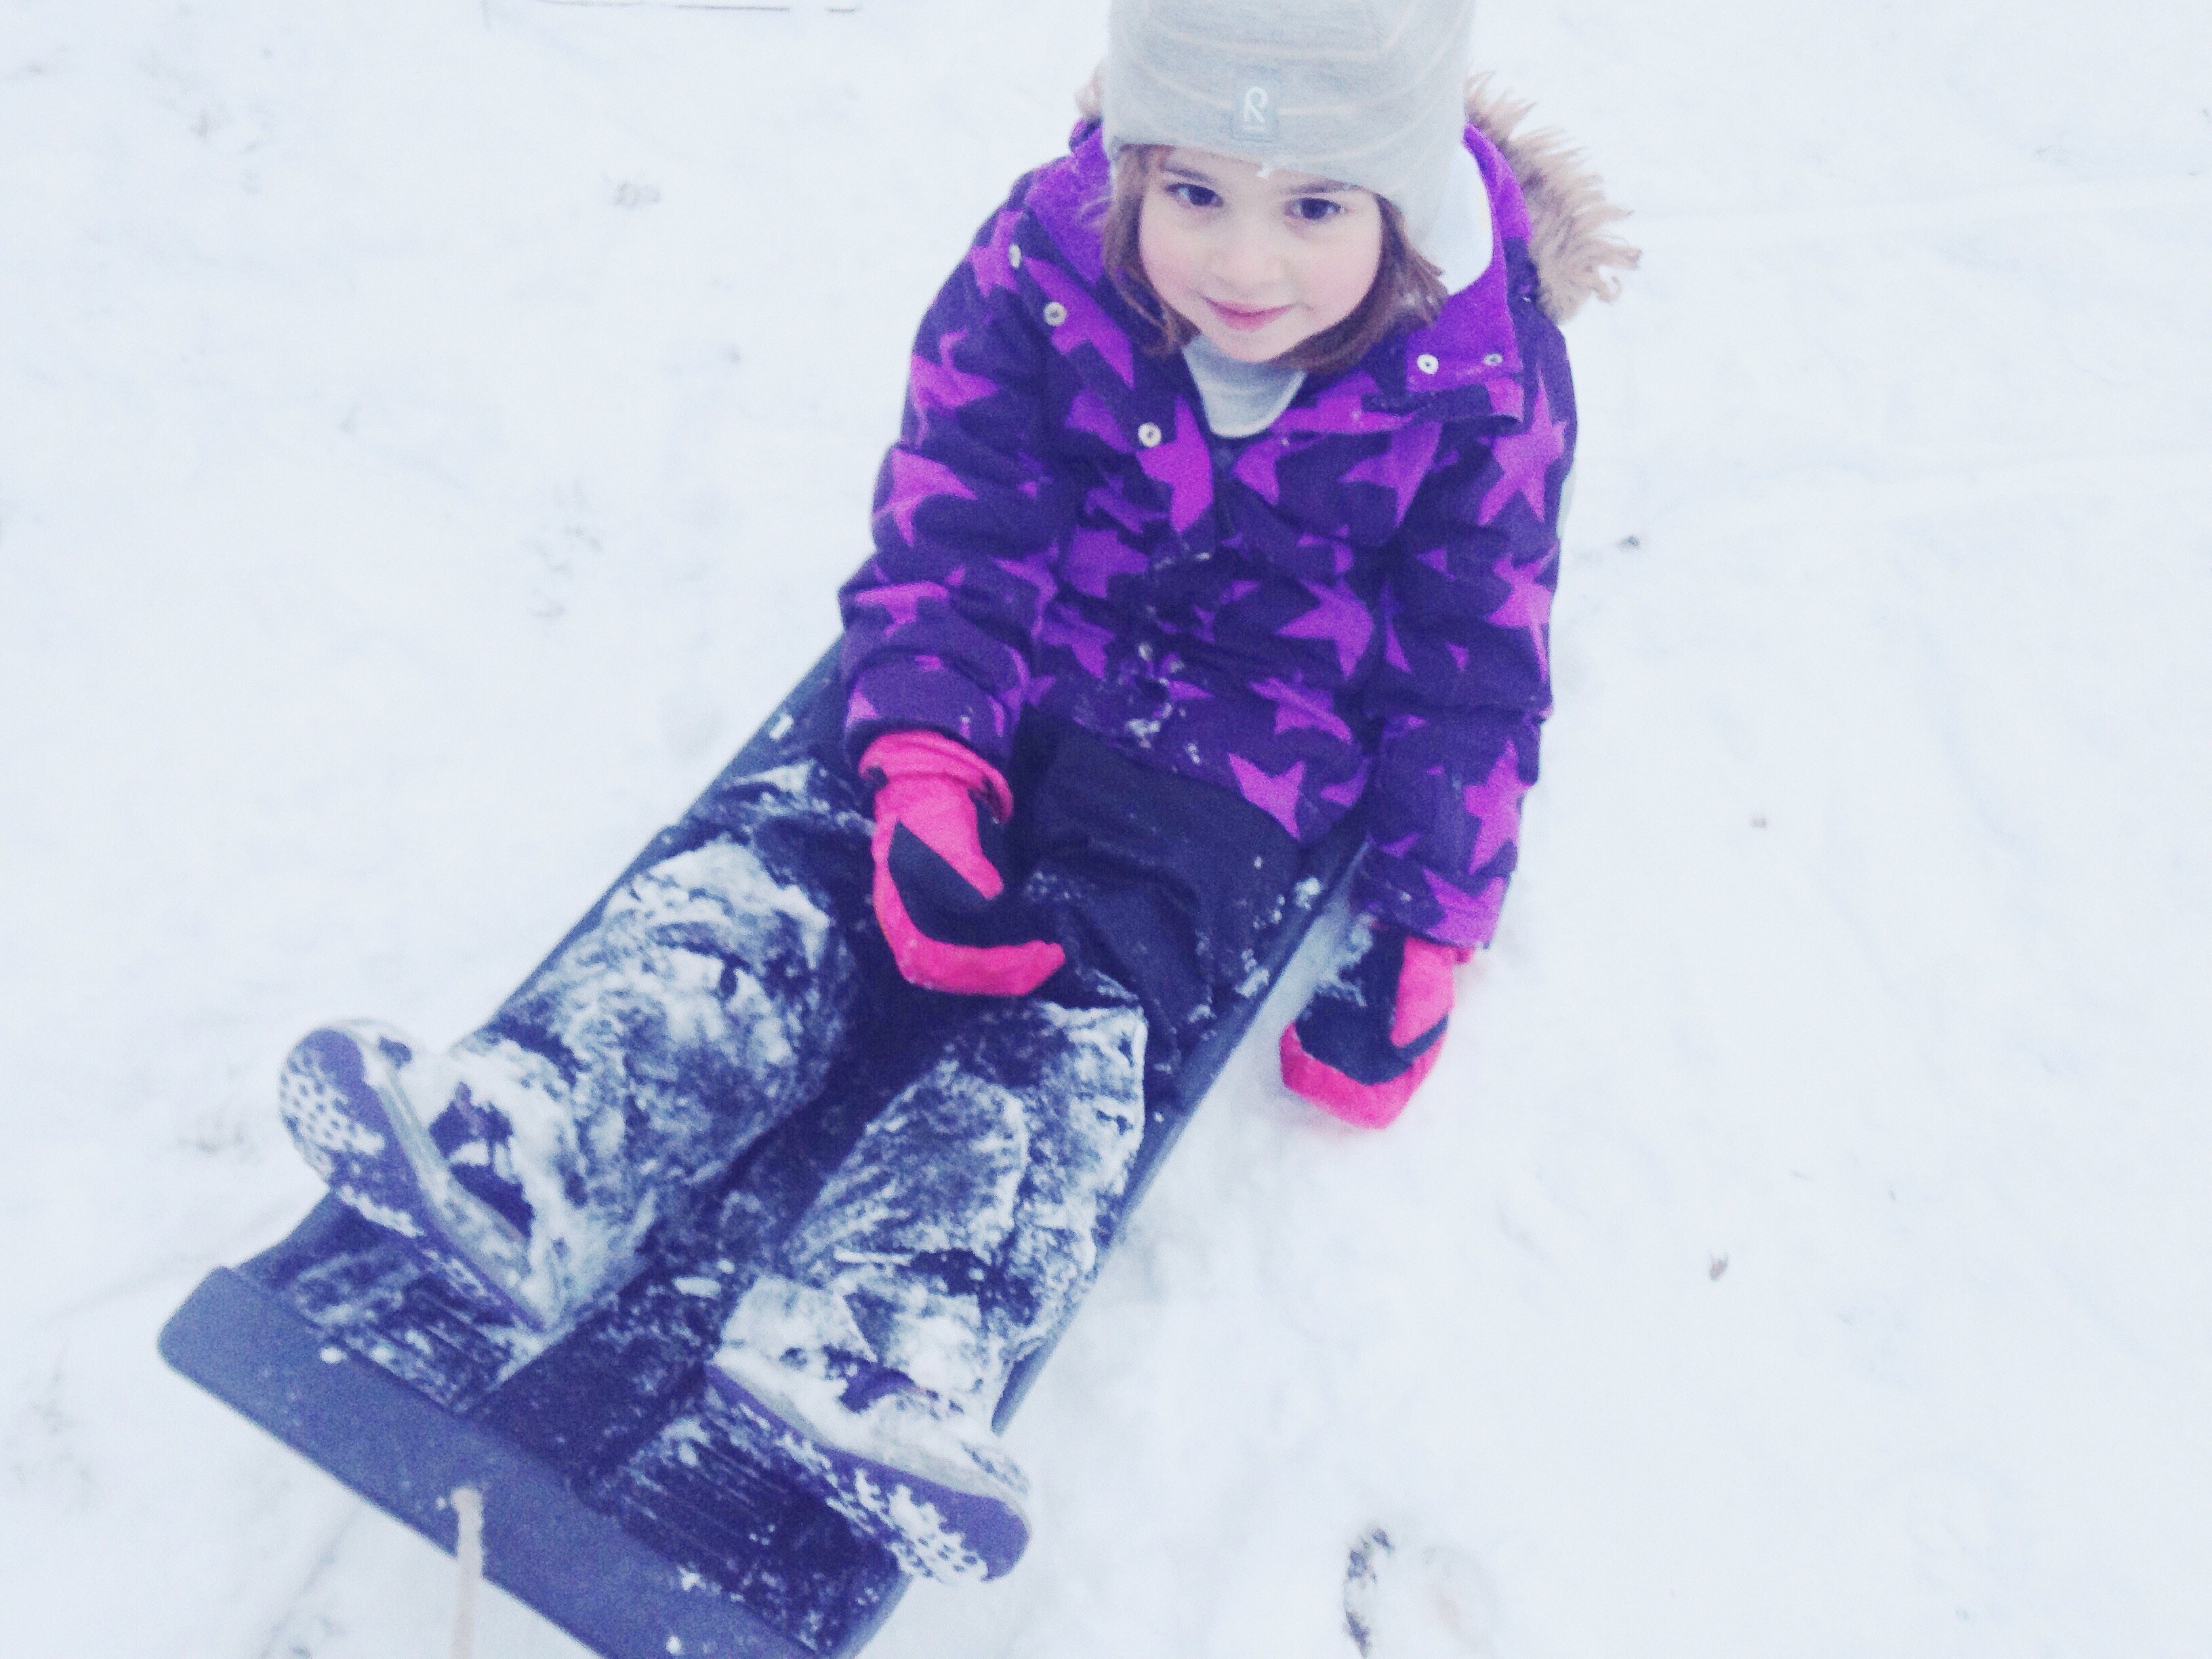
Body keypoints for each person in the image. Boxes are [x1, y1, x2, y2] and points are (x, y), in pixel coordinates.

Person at [276, 0, 1635, 1588]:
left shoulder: (1478, 371)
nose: (1244, 263)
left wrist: (1429, 922)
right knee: (792, 866)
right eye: (1194, 190)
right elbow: (960, 503)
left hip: (1239, 755)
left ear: (1397, 207)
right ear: (1134, 158)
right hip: (1009, 657)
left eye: (1314, 207)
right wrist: (928, 764)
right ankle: (538, 1136)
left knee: (1085, 1005)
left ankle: (877, 1334)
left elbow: (1476, 655)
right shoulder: (1049, 257)